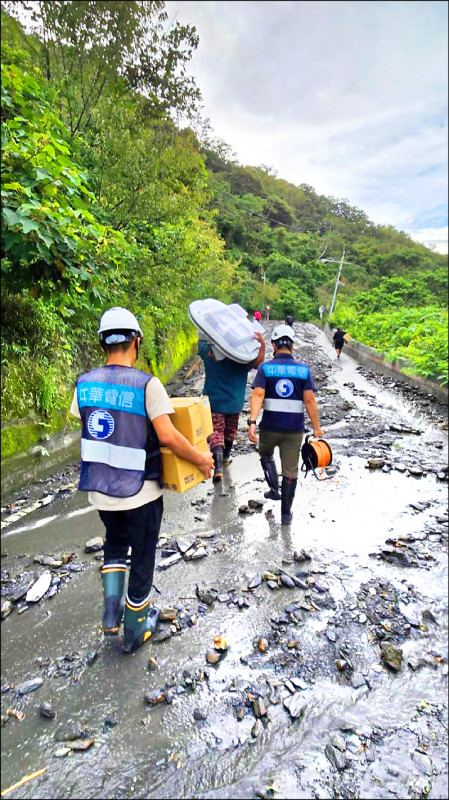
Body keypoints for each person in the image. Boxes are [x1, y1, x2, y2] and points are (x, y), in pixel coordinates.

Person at [70, 307, 213, 654]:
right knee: (144, 555)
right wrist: (200, 459)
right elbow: (167, 436)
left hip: (101, 490)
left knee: (115, 545)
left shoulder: (84, 383)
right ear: (136, 341)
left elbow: (90, 425)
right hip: (140, 493)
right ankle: (135, 631)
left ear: (103, 343)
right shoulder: (147, 385)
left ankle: (110, 618)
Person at [248, 324, 323, 525]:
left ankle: (274, 489)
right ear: (292, 346)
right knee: (290, 471)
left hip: (269, 428)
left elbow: (258, 394)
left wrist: (252, 422)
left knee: (265, 454)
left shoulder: (266, 368)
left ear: (273, 345)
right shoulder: (303, 370)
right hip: (293, 431)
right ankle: (286, 514)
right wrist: (316, 427)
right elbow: (309, 401)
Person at [198, 332, 265, 481]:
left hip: (214, 401)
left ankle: (218, 468)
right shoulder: (241, 358)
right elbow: (257, 363)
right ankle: (226, 457)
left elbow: (200, 341)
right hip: (235, 402)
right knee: (230, 431)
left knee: (215, 432)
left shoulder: (208, 352)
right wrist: (262, 344)